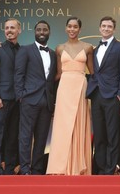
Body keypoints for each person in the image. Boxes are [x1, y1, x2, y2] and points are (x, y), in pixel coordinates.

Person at [46, 17, 94, 175]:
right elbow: (58, 73)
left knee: (79, 125)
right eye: (69, 26)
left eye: (75, 27)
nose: (72, 29)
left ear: (80, 29)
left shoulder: (88, 48)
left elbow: (93, 73)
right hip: (64, 88)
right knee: (62, 127)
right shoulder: (59, 48)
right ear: (66, 28)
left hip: (80, 87)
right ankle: (60, 167)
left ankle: (78, 166)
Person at [86, 16, 120, 175]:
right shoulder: (95, 49)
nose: (106, 28)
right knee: (99, 135)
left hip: (112, 97)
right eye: (103, 26)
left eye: (109, 26)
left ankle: (111, 169)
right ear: (99, 28)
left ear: (114, 29)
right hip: (96, 96)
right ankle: (102, 168)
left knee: (112, 135)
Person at [14, 20, 57, 175]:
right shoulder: (25, 50)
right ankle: (25, 169)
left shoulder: (52, 53)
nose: (42, 32)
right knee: (25, 136)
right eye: (39, 29)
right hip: (29, 99)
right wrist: (21, 96)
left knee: (42, 137)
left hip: (46, 101)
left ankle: (37, 169)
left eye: (45, 29)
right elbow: (18, 74)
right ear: (34, 32)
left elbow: (53, 80)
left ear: (49, 32)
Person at [0, 18, 21, 175]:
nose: (9, 30)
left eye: (12, 27)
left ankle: (9, 167)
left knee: (13, 134)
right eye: (7, 28)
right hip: (2, 98)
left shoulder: (23, 50)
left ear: (19, 30)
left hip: (18, 100)